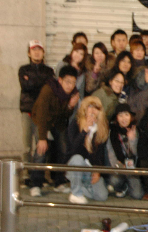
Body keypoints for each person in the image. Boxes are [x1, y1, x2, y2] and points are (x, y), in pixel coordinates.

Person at [29, 65, 80, 197]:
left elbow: (65, 115)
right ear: (60, 80)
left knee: (63, 149)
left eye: (73, 82)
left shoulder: (73, 94)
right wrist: (42, 138)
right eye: (68, 82)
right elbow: (41, 114)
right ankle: (35, 184)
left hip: (57, 123)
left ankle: (59, 182)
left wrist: (70, 106)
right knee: (41, 151)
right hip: (41, 121)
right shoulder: (48, 90)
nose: (70, 86)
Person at [65, 97, 110, 204]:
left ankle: (78, 186)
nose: (93, 110)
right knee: (77, 159)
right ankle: (76, 193)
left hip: (90, 168)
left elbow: (101, 154)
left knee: (102, 196)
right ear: (84, 108)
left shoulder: (102, 128)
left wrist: (97, 170)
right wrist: (84, 131)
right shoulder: (75, 123)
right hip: (76, 164)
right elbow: (73, 148)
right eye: (90, 106)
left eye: (96, 108)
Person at [19, 40, 55, 163]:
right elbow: (25, 86)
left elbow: (49, 89)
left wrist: (31, 81)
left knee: (41, 143)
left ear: (43, 53)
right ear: (29, 53)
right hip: (27, 110)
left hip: (42, 112)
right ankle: (26, 170)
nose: (37, 52)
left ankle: (37, 172)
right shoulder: (23, 69)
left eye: (39, 49)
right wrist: (41, 83)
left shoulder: (49, 71)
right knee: (26, 146)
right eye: (34, 50)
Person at [106, 103, 143, 199]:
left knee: (137, 195)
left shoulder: (136, 130)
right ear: (117, 118)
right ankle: (122, 186)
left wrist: (132, 140)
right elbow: (111, 154)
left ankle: (127, 186)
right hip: (120, 166)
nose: (124, 118)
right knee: (113, 182)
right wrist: (119, 166)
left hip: (133, 167)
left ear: (131, 116)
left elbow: (138, 153)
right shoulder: (113, 132)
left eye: (126, 115)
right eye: (120, 115)